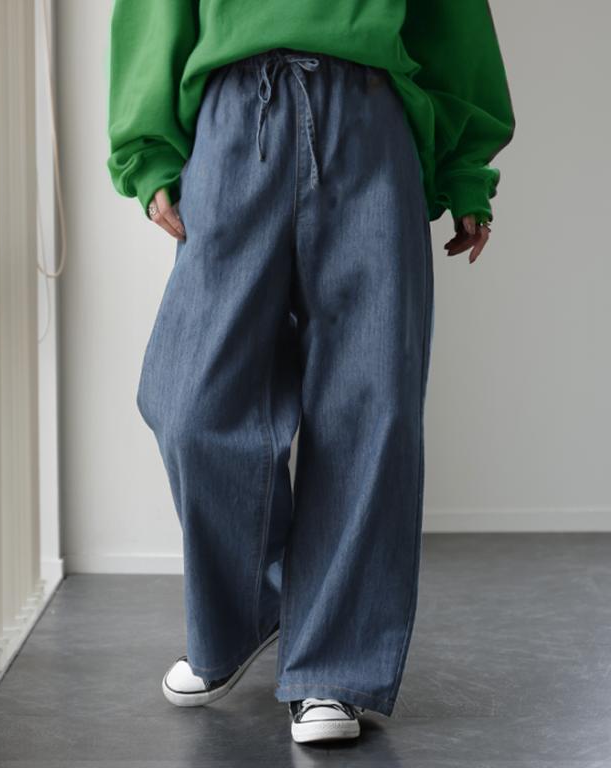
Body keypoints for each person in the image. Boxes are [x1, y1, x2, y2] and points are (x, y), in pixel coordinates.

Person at [107, 0, 515, 745]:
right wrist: (147, 150)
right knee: (189, 402)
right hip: (234, 117)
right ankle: (250, 610)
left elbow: (452, 20)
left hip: (369, 115)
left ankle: (333, 666)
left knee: (371, 402)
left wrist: (465, 172)